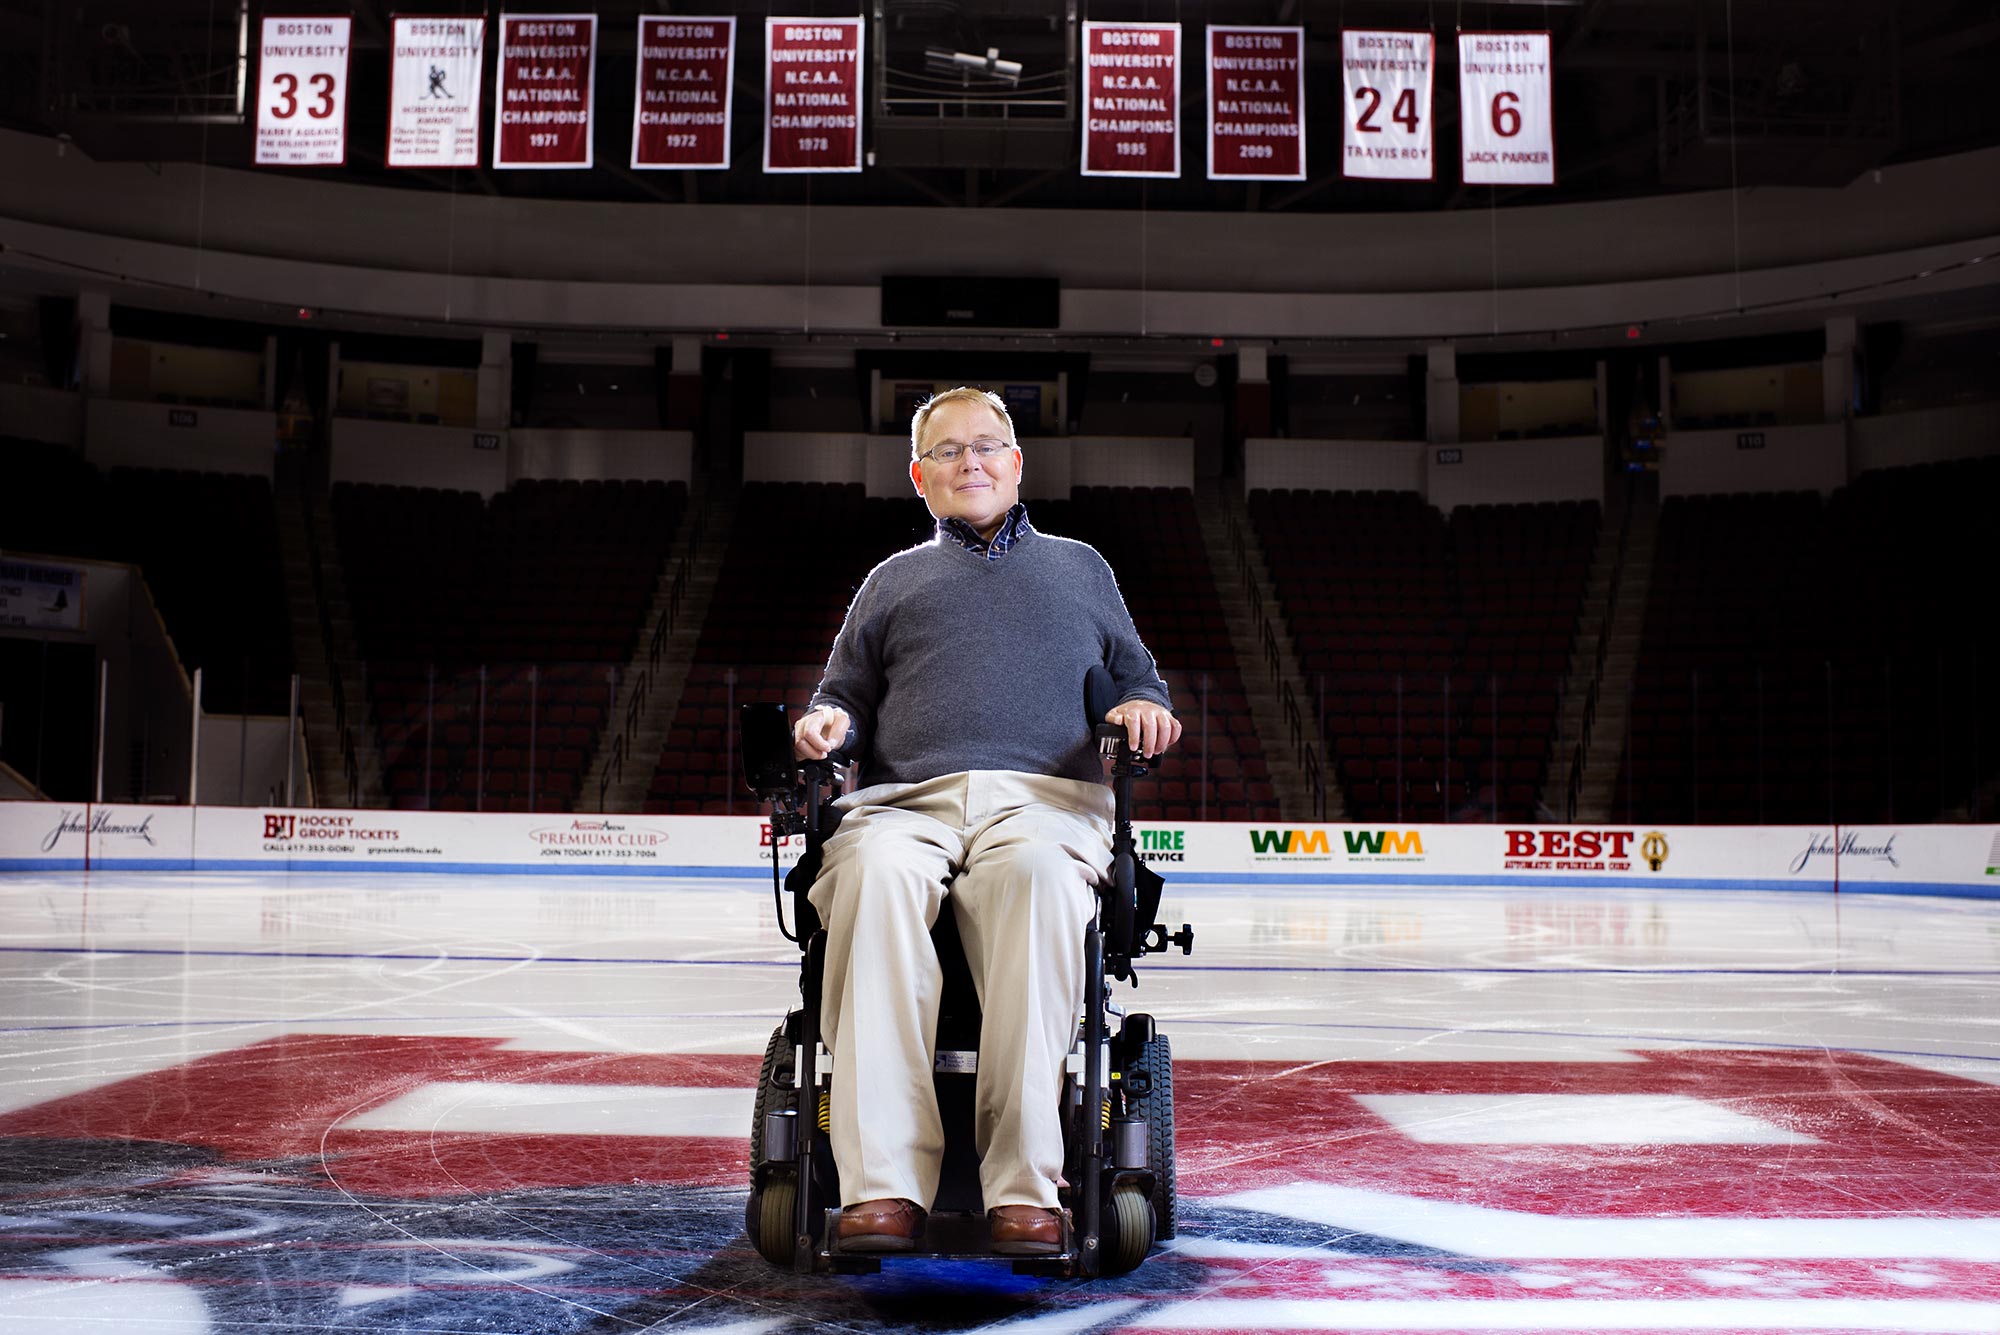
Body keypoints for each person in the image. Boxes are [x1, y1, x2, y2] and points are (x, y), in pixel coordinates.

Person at [792, 386, 1181, 1255]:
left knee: (1040, 880)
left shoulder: (1082, 567)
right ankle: (883, 1188)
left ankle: (1025, 1189)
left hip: (1044, 804)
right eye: (947, 451)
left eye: (986, 445)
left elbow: (1137, 680)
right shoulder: (892, 580)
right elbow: (843, 697)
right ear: (919, 478)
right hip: (906, 803)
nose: (969, 460)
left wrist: (1145, 709)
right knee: (872, 875)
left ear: (1015, 462)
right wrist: (827, 725)